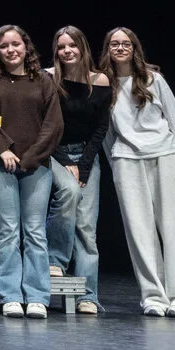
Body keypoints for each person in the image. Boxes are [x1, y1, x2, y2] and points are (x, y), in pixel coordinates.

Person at [0, 25, 63, 319]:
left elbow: (53, 124)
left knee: (35, 231)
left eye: (16, 44)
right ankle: (10, 294)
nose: (11, 50)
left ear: (26, 47)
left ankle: (36, 296)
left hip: (36, 166)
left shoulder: (43, 79)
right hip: (0, 164)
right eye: (4, 46)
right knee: (8, 229)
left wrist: (31, 157)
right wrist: (4, 149)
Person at [99, 27, 175, 318]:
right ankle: (153, 296)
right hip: (127, 160)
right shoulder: (103, 84)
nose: (120, 48)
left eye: (126, 44)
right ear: (108, 49)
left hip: (165, 154)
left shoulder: (153, 79)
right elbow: (106, 133)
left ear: (135, 48)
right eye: (115, 44)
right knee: (139, 232)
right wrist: (116, 164)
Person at [44, 26, 111, 314]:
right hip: (55, 153)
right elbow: (47, 125)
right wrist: (66, 162)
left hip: (87, 155)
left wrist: (83, 165)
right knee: (68, 196)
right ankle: (55, 261)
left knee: (86, 227)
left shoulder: (100, 80)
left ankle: (88, 296)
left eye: (72, 45)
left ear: (82, 48)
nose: (67, 51)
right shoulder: (49, 78)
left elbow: (101, 127)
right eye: (61, 47)